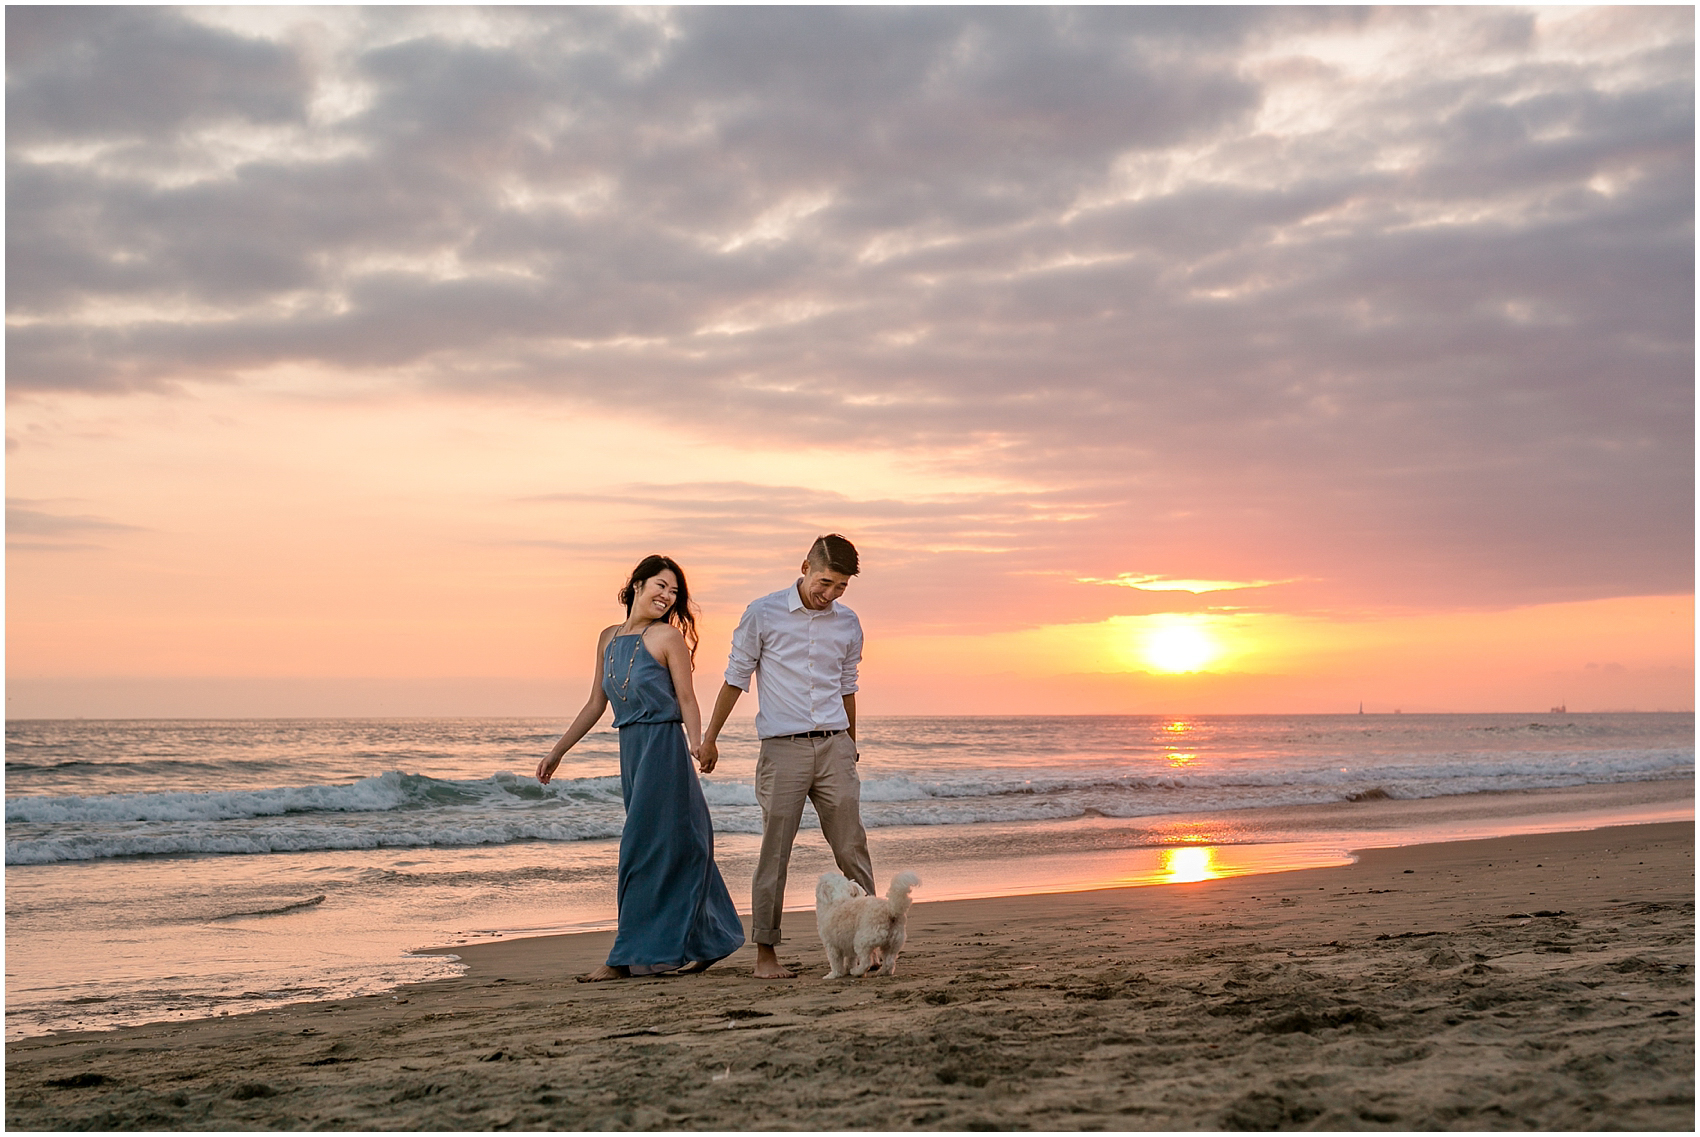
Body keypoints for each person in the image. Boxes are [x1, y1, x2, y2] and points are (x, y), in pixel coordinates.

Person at [536, 555, 745, 981]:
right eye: (660, 586)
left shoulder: (668, 638)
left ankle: (621, 959)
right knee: (679, 847)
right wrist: (558, 751)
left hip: (665, 750)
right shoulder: (607, 638)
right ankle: (713, 940)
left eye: (674, 592)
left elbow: (687, 699)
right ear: (637, 585)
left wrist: (699, 743)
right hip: (632, 751)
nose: (667, 597)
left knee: (640, 851)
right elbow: (597, 703)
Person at [698, 534, 874, 979]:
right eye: (825, 582)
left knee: (852, 847)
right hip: (783, 749)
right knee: (774, 854)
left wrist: (851, 742)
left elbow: (847, 685)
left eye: (840, 588)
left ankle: (873, 941)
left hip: (835, 745)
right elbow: (736, 677)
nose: (830, 594)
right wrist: (711, 737)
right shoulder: (763, 613)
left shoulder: (848, 623)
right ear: (805, 567)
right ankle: (766, 955)